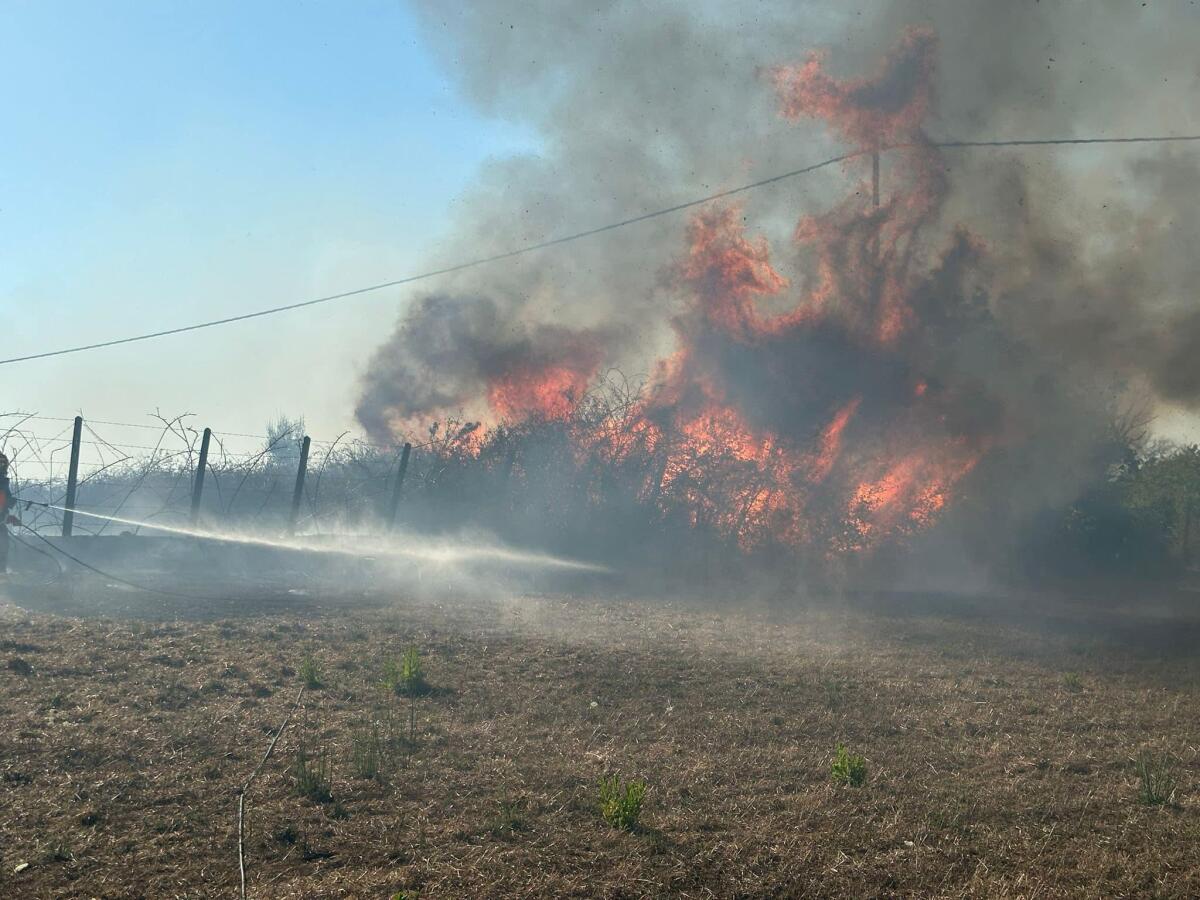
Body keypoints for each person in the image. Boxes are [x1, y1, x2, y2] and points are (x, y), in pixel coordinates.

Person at [0, 452, 20, 574]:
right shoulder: (1, 482)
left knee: (3, 545)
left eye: (3, 463)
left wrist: (8, 517)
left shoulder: (3, 481)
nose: (2, 465)